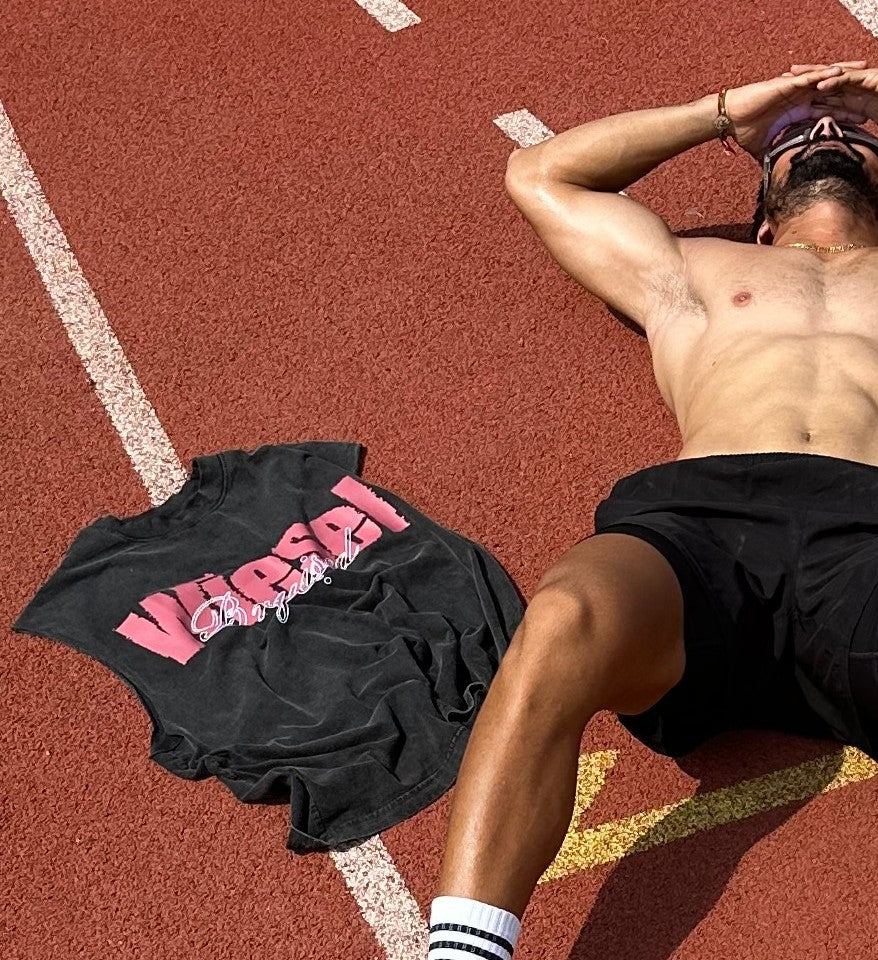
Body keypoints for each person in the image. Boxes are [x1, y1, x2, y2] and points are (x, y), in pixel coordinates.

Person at [427, 62, 878, 960]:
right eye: (796, 137)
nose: (825, 133)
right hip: (704, 529)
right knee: (564, 615)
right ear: (763, 207)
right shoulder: (695, 267)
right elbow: (541, 175)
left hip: (864, 535)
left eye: (856, 132)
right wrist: (725, 112)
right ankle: (463, 952)